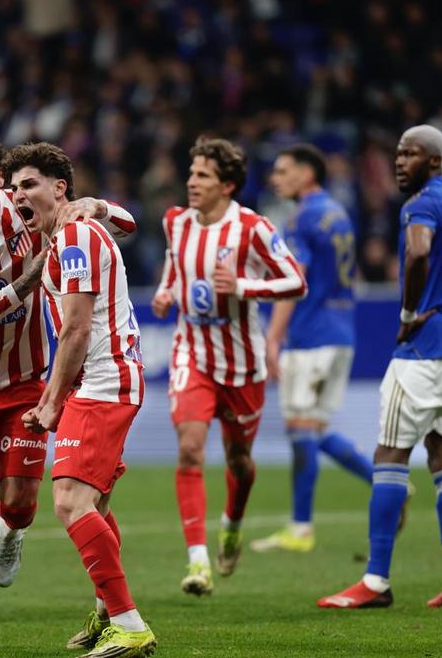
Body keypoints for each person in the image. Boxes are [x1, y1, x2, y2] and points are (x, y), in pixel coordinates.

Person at [0, 129, 137, 652]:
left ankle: (12, 531)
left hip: (20, 381)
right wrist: (27, 281)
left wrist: (94, 205)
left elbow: (126, 223)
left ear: (0, 179)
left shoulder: (25, 212)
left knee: (20, 504)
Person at [317, 125, 442, 610]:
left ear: (436, 161)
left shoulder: (420, 204)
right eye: (398, 153)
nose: (400, 161)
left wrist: (408, 314)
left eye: (411, 153)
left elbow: (418, 251)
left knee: (389, 457)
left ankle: (376, 581)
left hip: (423, 351)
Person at [4, 141, 156, 658]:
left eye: (29, 184)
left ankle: (129, 624)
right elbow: (131, 224)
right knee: (96, 503)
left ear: (59, 188)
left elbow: (74, 328)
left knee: (70, 501)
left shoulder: (72, 239)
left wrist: (50, 402)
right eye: (13, 188)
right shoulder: (74, 230)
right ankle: (105, 613)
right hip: (104, 379)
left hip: (102, 381)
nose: (17, 195)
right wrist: (103, 205)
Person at [151, 136, 307, 596]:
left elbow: (295, 281)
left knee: (239, 460)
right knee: (190, 449)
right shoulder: (175, 222)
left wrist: (241, 285)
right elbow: (173, 270)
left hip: (242, 365)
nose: (191, 182)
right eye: (191, 172)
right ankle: (197, 562)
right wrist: (165, 292)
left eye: (202, 175)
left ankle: (233, 524)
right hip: (192, 354)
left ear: (228, 185)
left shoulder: (253, 228)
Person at [250, 144, 373, 554]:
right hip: (341, 331)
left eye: (283, 171)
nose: (275, 178)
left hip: (311, 335)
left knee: (302, 430)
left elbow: (292, 282)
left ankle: (302, 527)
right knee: (312, 429)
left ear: (306, 174)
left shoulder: (302, 218)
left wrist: (273, 337)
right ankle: (386, 484)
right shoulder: (338, 212)